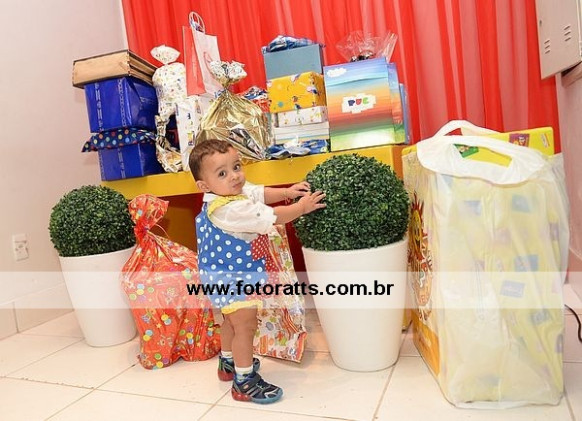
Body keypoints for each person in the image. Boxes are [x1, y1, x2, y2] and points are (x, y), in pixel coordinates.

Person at [188, 140, 325, 404]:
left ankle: (228, 363)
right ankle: (244, 381)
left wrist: (287, 191)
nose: (235, 176)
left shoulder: (224, 196)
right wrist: (301, 207)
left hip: (220, 275)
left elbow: (257, 193)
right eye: (222, 173)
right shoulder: (230, 209)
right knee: (245, 326)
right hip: (233, 279)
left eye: (236, 166)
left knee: (230, 321)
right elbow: (271, 216)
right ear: (203, 186)